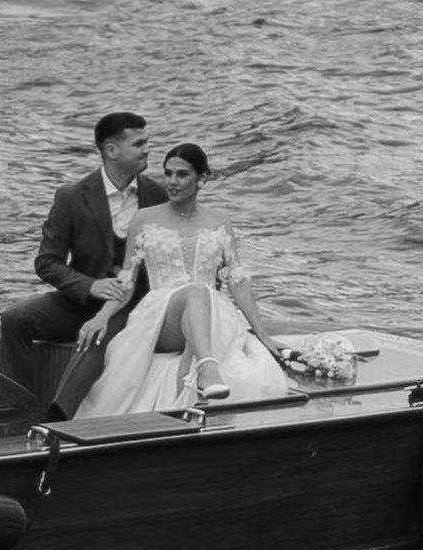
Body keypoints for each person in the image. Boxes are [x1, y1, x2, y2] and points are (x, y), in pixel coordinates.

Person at [77, 142, 295, 417]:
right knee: (196, 292)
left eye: (182, 174)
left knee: (201, 295)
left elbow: (236, 280)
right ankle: (206, 368)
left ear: (202, 178)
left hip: (213, 315)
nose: (172, 181)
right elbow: (127, 281)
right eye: (168, 173)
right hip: (161, 317)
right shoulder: (143, 218)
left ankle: (188, 377)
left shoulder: (219, 220)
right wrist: (102, 316)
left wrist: (262, 333)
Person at [0, 112, 163, 395]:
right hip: (79, 305)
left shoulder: (158, 195)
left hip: (134, 307)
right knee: (15, 318)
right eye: (139, 144)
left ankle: (67, 411)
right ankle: (22, 406)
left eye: (147, 142)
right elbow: (47, 262)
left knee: (101, 335)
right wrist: (90, 286)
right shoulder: (71, 196)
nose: (147, 149)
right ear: (111, 150)